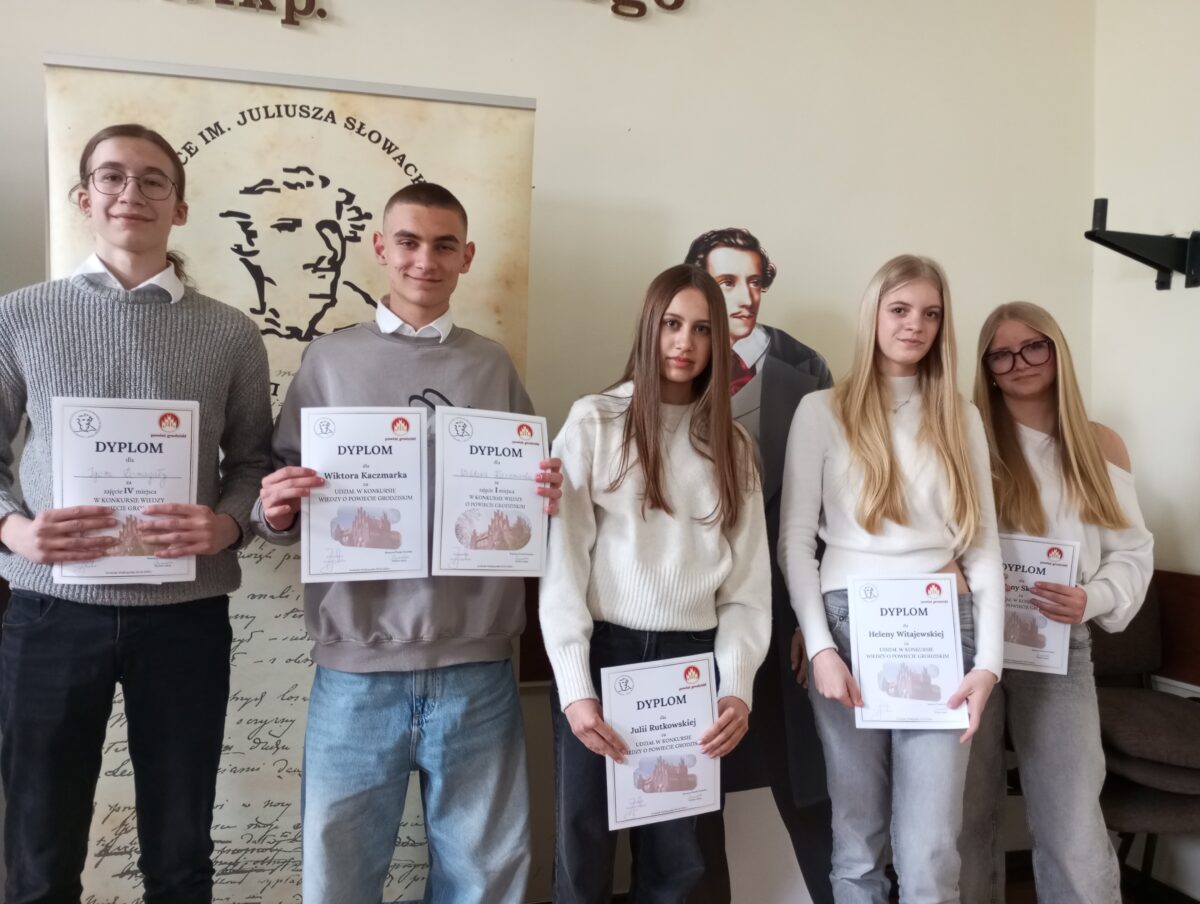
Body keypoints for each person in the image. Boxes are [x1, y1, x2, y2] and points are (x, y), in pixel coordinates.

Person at [252, 182, 561, 904]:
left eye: (444, 245)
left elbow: (526, 505)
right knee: (339, 877)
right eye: (410, 242)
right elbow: (276, 506)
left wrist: (546, 495)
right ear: (380, 248)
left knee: (484, 878)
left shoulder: (492, 366)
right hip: (355, 673)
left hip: (478, 668)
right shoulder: (329, 362)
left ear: (467, 257)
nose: (426, 259)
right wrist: (276, 509)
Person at [0, 123, 272, 903]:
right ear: (84, 197)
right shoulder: (19, 316)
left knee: (180, 856)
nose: (132, 193)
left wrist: (227, 524)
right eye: (112, 177)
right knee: (39, 855)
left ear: (179, 208)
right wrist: (15, 531)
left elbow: (253, 465)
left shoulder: (231, 332)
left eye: (154, 180)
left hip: (185, 616)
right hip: (50, 612)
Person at [540, 263, 772, 903]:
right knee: (582, 848)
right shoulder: (593, 422)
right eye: (672, 324)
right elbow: (564, 566)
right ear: (649, 327)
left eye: (702, 329)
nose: (684, 342)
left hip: (692, 666)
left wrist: (737, 687)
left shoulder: (733, 447)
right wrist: (575, 688)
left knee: (682, 864)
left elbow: (747, 590)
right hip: (603, 654)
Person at [779, 254, 1005, 903]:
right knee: (857, 840)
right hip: (848, 630)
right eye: (900, 309)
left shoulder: (960, 416)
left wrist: (989, 664)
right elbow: (795, 541)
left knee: (932, 849)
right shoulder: (821, 411)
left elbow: (982, 546)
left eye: (931, 314)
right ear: (872, 315)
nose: (915, 325)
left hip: (942, 629)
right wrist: (821, 648)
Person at [958, 302, 1153, 904]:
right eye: (1001, 354)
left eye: (1032, 346)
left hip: (1059, 646)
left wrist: (1092, 597)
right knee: (964, 819)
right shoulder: (965, 438)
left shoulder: (1099, 444)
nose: (1019, 362)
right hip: (967, 644)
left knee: (1073, 823)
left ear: (1057, 350)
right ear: (987, 369)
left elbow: (1131, 551)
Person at [684, 227, 835, 904]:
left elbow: (829, 507)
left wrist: (813, 619)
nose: (743, 296)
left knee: (804, 782)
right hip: (689, 608)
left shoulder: (807, 368)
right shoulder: (672, 357)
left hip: (780, 604)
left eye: (754, 280)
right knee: (695, 791)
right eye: (725, 282)